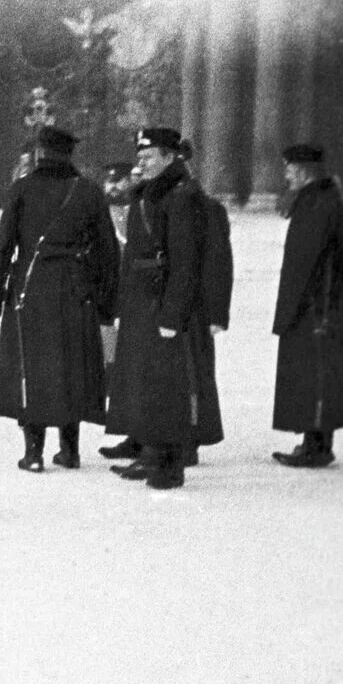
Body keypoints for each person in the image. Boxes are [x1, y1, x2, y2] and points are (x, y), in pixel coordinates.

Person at [0, 126, 120, 471]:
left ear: (40, 154)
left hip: (30, 287)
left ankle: (33, 453)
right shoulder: (87, 191)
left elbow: (4, 245)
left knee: (32, 365)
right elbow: (108, 251)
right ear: (70, 155)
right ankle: (70, 451)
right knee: (72, 366)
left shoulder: (22, 189)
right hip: (76, 287)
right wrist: (107, 303)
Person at [104, 128, 212, 490]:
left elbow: (185, 261)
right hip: (143, 298)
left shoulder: (180, 197)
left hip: (161, 299)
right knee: (148, 379)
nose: (141, 162)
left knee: (167, 383)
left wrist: (172, 313)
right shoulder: (155, 193)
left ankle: (169, 464)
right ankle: (152, 453)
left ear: (170, 157)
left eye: (149, 157)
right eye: (140, 156)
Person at [269, 144, 343, 467]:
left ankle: (318, 448)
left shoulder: (318, 203)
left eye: (289, 169)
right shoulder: (319, 199)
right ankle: (313, 441)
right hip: (322, 302)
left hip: (317, 306)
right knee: (314, 374)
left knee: (317, 375)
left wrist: (289, 311)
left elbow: (305, 262)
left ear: (303, 170)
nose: (285, 174)